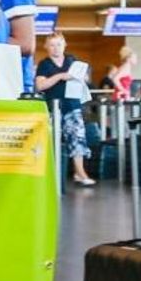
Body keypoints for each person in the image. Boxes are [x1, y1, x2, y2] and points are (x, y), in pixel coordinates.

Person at [35, 34, 96, 185]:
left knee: (77, 137)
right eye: (52, 45)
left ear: (64, 45)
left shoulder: (72, 61)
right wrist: (61, 76)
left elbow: (85, 78)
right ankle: (51, 174)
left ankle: (80, 173)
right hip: (53, 107)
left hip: (73, 105)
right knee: (51, 140)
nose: (56, 48)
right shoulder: (44, 64)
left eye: (58, 45)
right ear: (46, 47)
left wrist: (81, 78)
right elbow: (40, 85)